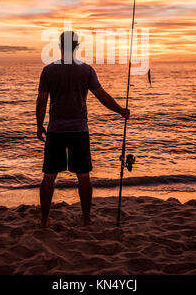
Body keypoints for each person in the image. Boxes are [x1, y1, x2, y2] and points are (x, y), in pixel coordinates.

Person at [36, 31, 130, 227]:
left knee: (49, 176)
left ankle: (44, 221)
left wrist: (39, 126)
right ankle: (86, 219)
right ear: (77, 47)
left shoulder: (48, 70)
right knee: (84, 176)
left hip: (56, 130)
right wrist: (121, 111)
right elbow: (102, 96)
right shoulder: (86, 70)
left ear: (60, 46)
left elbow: (42, 101)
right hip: (79, 130)